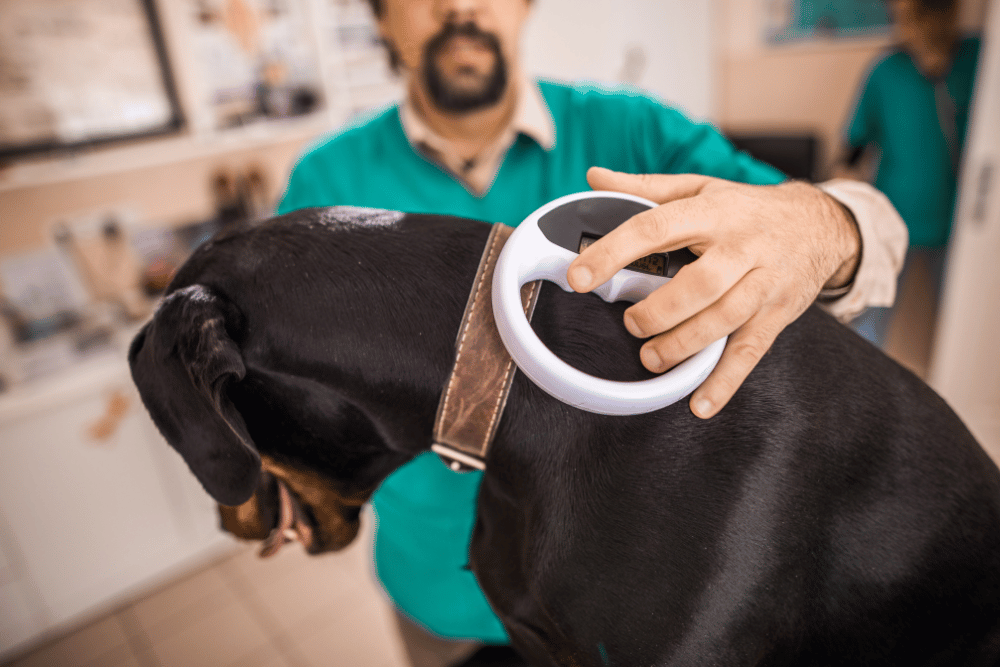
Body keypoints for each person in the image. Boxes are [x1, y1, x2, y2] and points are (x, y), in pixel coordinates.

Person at [276, 0, 906, 664]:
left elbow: (863, 232)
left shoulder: (634, 135)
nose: (459, 6)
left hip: (625, 601)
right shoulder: (324, 186)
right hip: (441, 599)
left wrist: (819, 223)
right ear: (378, 17)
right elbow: (296, 384)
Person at [842, 0, 980, 347]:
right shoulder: (887, 70)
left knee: (966, 329)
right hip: (893, 217)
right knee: (867, 325)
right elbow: (854, 145)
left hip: (960, 224)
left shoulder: (979, 60)